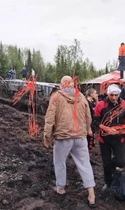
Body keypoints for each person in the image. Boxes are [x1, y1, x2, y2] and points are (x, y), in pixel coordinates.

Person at [44, 75, 97, 208]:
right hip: (80, 137)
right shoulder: (81, 97)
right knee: (85, 163)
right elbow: (88, 116)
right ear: (72, 85)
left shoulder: (56, 97)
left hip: (63, 137)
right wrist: (85, 129)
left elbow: (49, 118)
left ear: (62, 85)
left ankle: (61, 187)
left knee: (60, 162)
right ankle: (91, 194)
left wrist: (47, 136)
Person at [94, 84, 125, 191]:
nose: (114, 97)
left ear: (119, 94)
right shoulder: (101, 105)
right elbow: (95, 121)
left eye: (116, 95)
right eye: (111, 95)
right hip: (104, 138)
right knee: (105, 162)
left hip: (119, 137)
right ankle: (108, 182)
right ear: (108, 94)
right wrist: (105, 128)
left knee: (120, 162)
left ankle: (111, 167)